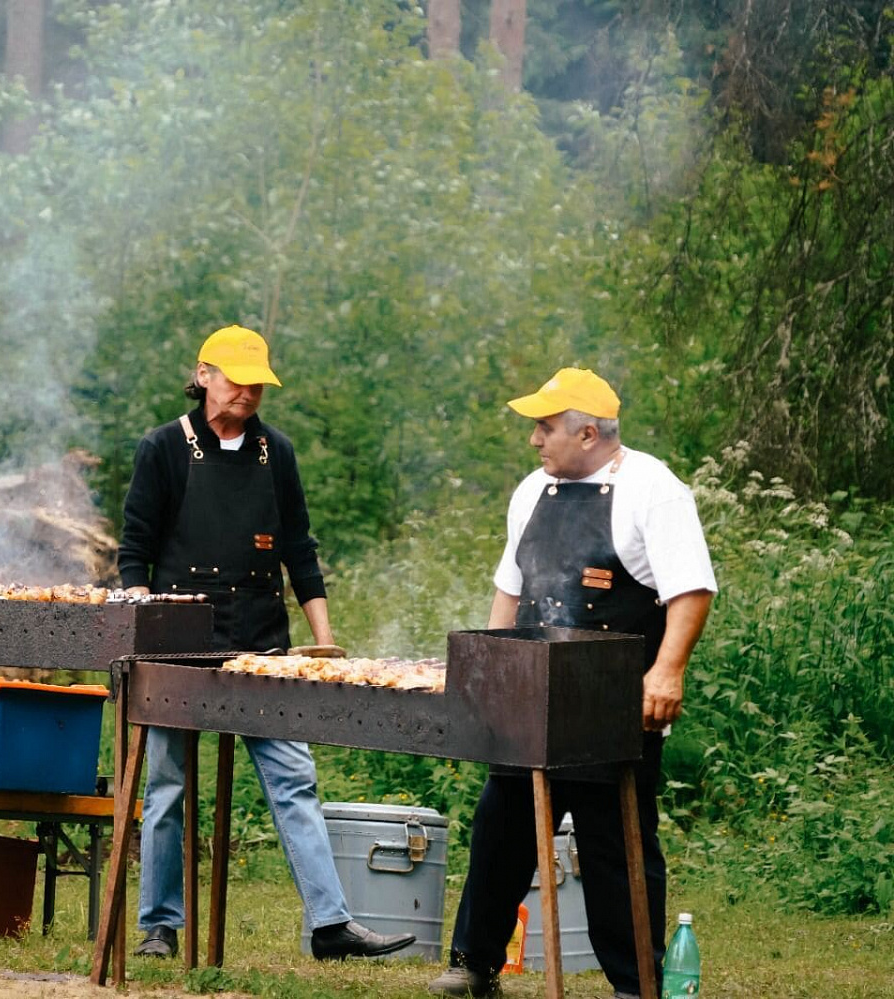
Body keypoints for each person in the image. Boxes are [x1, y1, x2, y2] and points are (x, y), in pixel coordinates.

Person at [118, 325, 415, 961]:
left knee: (295, 777)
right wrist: (140, 637)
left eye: (257, 383)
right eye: (234, 379)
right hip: (179, 645)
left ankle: (331, 925)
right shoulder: (164, 448)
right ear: (203, 375)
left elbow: (299, 551)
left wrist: (324, 641)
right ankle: (159, 927)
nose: (247, 392)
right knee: (167, 786)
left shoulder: (275, 453)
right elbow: (134, 551)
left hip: (262, 644)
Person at [428, 368, 716, 999]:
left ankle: (633, 982)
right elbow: (510, 590)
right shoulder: (533, 489)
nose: (534, 440)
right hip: (529, 697)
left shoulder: (653, 489)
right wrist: (490, 672)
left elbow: (690, 591)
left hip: (613, 703)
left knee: (615, 842)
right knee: (500, 828)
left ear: (588, 433)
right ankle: (474, 964)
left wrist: (667, 671)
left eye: (545, 427)